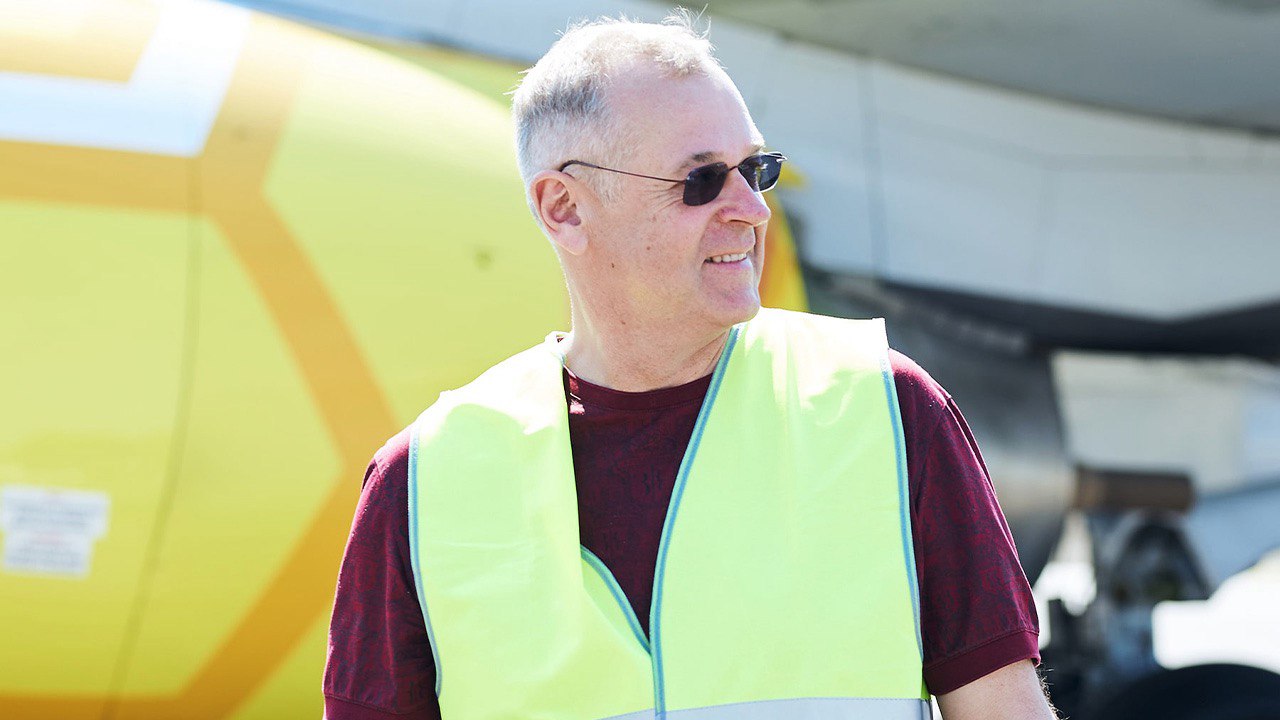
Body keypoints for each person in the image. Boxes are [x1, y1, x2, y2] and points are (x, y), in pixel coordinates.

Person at [324, 14, 1058, 720]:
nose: (754, 211)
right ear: (564, 208)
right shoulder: (423, 485)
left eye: (756, 170)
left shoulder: (888, 411)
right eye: (702, 180)